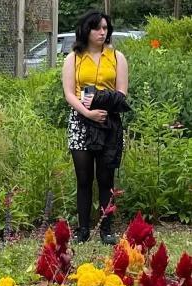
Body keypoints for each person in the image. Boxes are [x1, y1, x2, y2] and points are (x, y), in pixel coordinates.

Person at [62, 10, 128, 245]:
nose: (103, 32)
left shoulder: (117, 57)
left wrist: (102, 106)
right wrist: (88, 112)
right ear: (86, 30)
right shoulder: (73, 58)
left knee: (106, 177)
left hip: (108, 122)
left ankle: (106, 228)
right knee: (83, 177)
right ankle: (82, 229)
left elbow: (122, 92)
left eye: (105, 28)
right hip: (81, 121)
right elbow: (69, 93)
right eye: (97, 28)